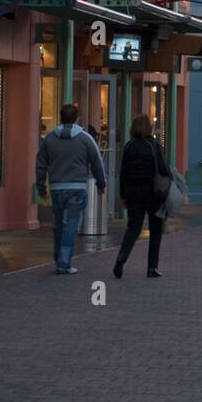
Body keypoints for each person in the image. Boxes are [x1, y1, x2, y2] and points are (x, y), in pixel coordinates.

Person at [35, 103, 107, 274]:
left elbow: (40, 165)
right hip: (77, 188)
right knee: (72, 225)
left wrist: (41, 187)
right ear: (76, 118)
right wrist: (101, 183)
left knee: (58, 225)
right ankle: (64, 262)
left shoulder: (50, 139)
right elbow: (97, 162)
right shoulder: (85, 138)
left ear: (61, 117)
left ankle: (59, 258)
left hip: (57, 187)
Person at [114, 115, 171, 279]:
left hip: (133, 191)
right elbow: (164, 169)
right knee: (155, 230)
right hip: (153, 192)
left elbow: (123, 173)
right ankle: (151, 268)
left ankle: (121, 257)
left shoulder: (129, 146)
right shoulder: (154, 146)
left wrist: (123, 194)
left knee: (133, 227)